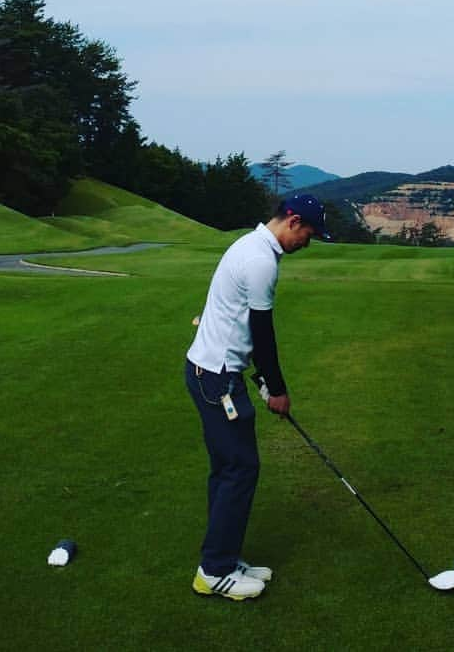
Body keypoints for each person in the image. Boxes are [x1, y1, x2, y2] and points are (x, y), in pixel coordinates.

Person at [186, 192, 331, 601]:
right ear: (293, 220)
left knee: (227, 468)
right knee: (240, 469)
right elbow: (263, 335)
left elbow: (242, 327)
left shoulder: (254, 246)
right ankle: (213, 571)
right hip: (217, 380)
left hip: (212, 371)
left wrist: (263, 378)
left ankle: (224, 557)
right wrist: (278, 389)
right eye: (309, 233)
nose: (309, 242)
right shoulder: (260, 260)